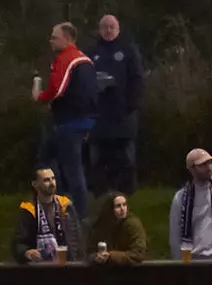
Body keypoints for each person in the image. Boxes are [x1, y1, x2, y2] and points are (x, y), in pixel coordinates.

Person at [32, 22, 97, 215]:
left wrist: (40, 97)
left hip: (70, 122)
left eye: (54, 37)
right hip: (84, 121)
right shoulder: (86, 59)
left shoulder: (66, 58)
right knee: (47, 157)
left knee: (71, 168)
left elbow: (57, 89)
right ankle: (55, 199)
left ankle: (79, 213)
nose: (50, 41)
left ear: (67, 39)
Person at [86, 13, 146, 198]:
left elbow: (137, 79)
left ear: (118, 29)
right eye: (105, 27)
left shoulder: (128, 50)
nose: (108, 30)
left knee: (126, 156)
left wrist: (130, 105)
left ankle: (127, 191)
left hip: (123, 116)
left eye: (112, 27)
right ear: (100, 29)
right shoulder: (92, 51)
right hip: (99, 116)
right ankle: (100, 191)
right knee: (97, 155)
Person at [14, 166, 85, 264]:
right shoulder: (29, 210)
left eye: (53, 178)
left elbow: (77, 238)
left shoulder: (65, 205)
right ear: (35, 184)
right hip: (40, 267)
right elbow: (18, 242)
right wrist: (26, 253)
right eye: (46, 180)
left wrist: (79, 261)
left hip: (66, 264)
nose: (52, 183)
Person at [85, 191, 148, 263]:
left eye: (124, 205)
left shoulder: (133, 224)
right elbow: (89, 251)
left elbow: (138, 254)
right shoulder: (102, 225)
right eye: (118, 206)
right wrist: (95, 257)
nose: (122, 209)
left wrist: (111, 256)